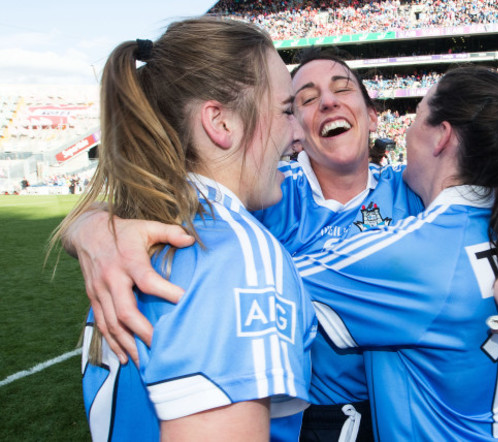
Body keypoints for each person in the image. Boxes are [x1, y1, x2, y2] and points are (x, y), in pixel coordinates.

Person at [60, 49, 498, 441]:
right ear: (294, 129)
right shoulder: (265, 194)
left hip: (394, 418)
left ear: (373, 116)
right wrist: (94, 229)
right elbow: (164, 219)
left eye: (342, 89)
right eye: (304, 99)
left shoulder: (413, 194)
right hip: (295, 420)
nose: (328, 104)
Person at [51, 17, 317, 441]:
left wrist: (87, 224)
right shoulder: (237, 255)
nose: (299, 132)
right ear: (221, 123)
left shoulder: (137, 231)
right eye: (286, 110)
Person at [294, 66, 498, 440]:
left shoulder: (412, 255)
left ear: (441, 137)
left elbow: (262, 285)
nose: (406, 132)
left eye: (418, 115)